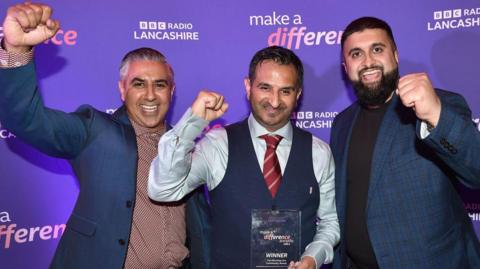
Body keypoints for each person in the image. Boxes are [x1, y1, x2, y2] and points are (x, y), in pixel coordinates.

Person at [0, 3, 209, 269]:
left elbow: (201, 227)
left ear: (172, 90)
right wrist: (17, 51)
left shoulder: (186, 144)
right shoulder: (94, 129)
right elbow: (26, 120)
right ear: (122, 89)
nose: (150, 95)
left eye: (160, 84)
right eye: (138, 84)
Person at [148, 45, 340, 269]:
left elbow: (330, 223)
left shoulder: (319, 152)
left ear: (298, 94)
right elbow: (163, 188)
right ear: (248, 87)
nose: (275, 101)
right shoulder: (218, 144)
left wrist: (312, 259)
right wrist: (193, 122)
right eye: (265, 88)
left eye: (285, 91)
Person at [330, 16, 480, 269]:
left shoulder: (440, 105)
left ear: (396, 55)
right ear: (346, 67)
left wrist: (435, 114)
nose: (368, 62)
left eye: (377, 49)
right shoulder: (342, 123)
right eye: (356, 54)